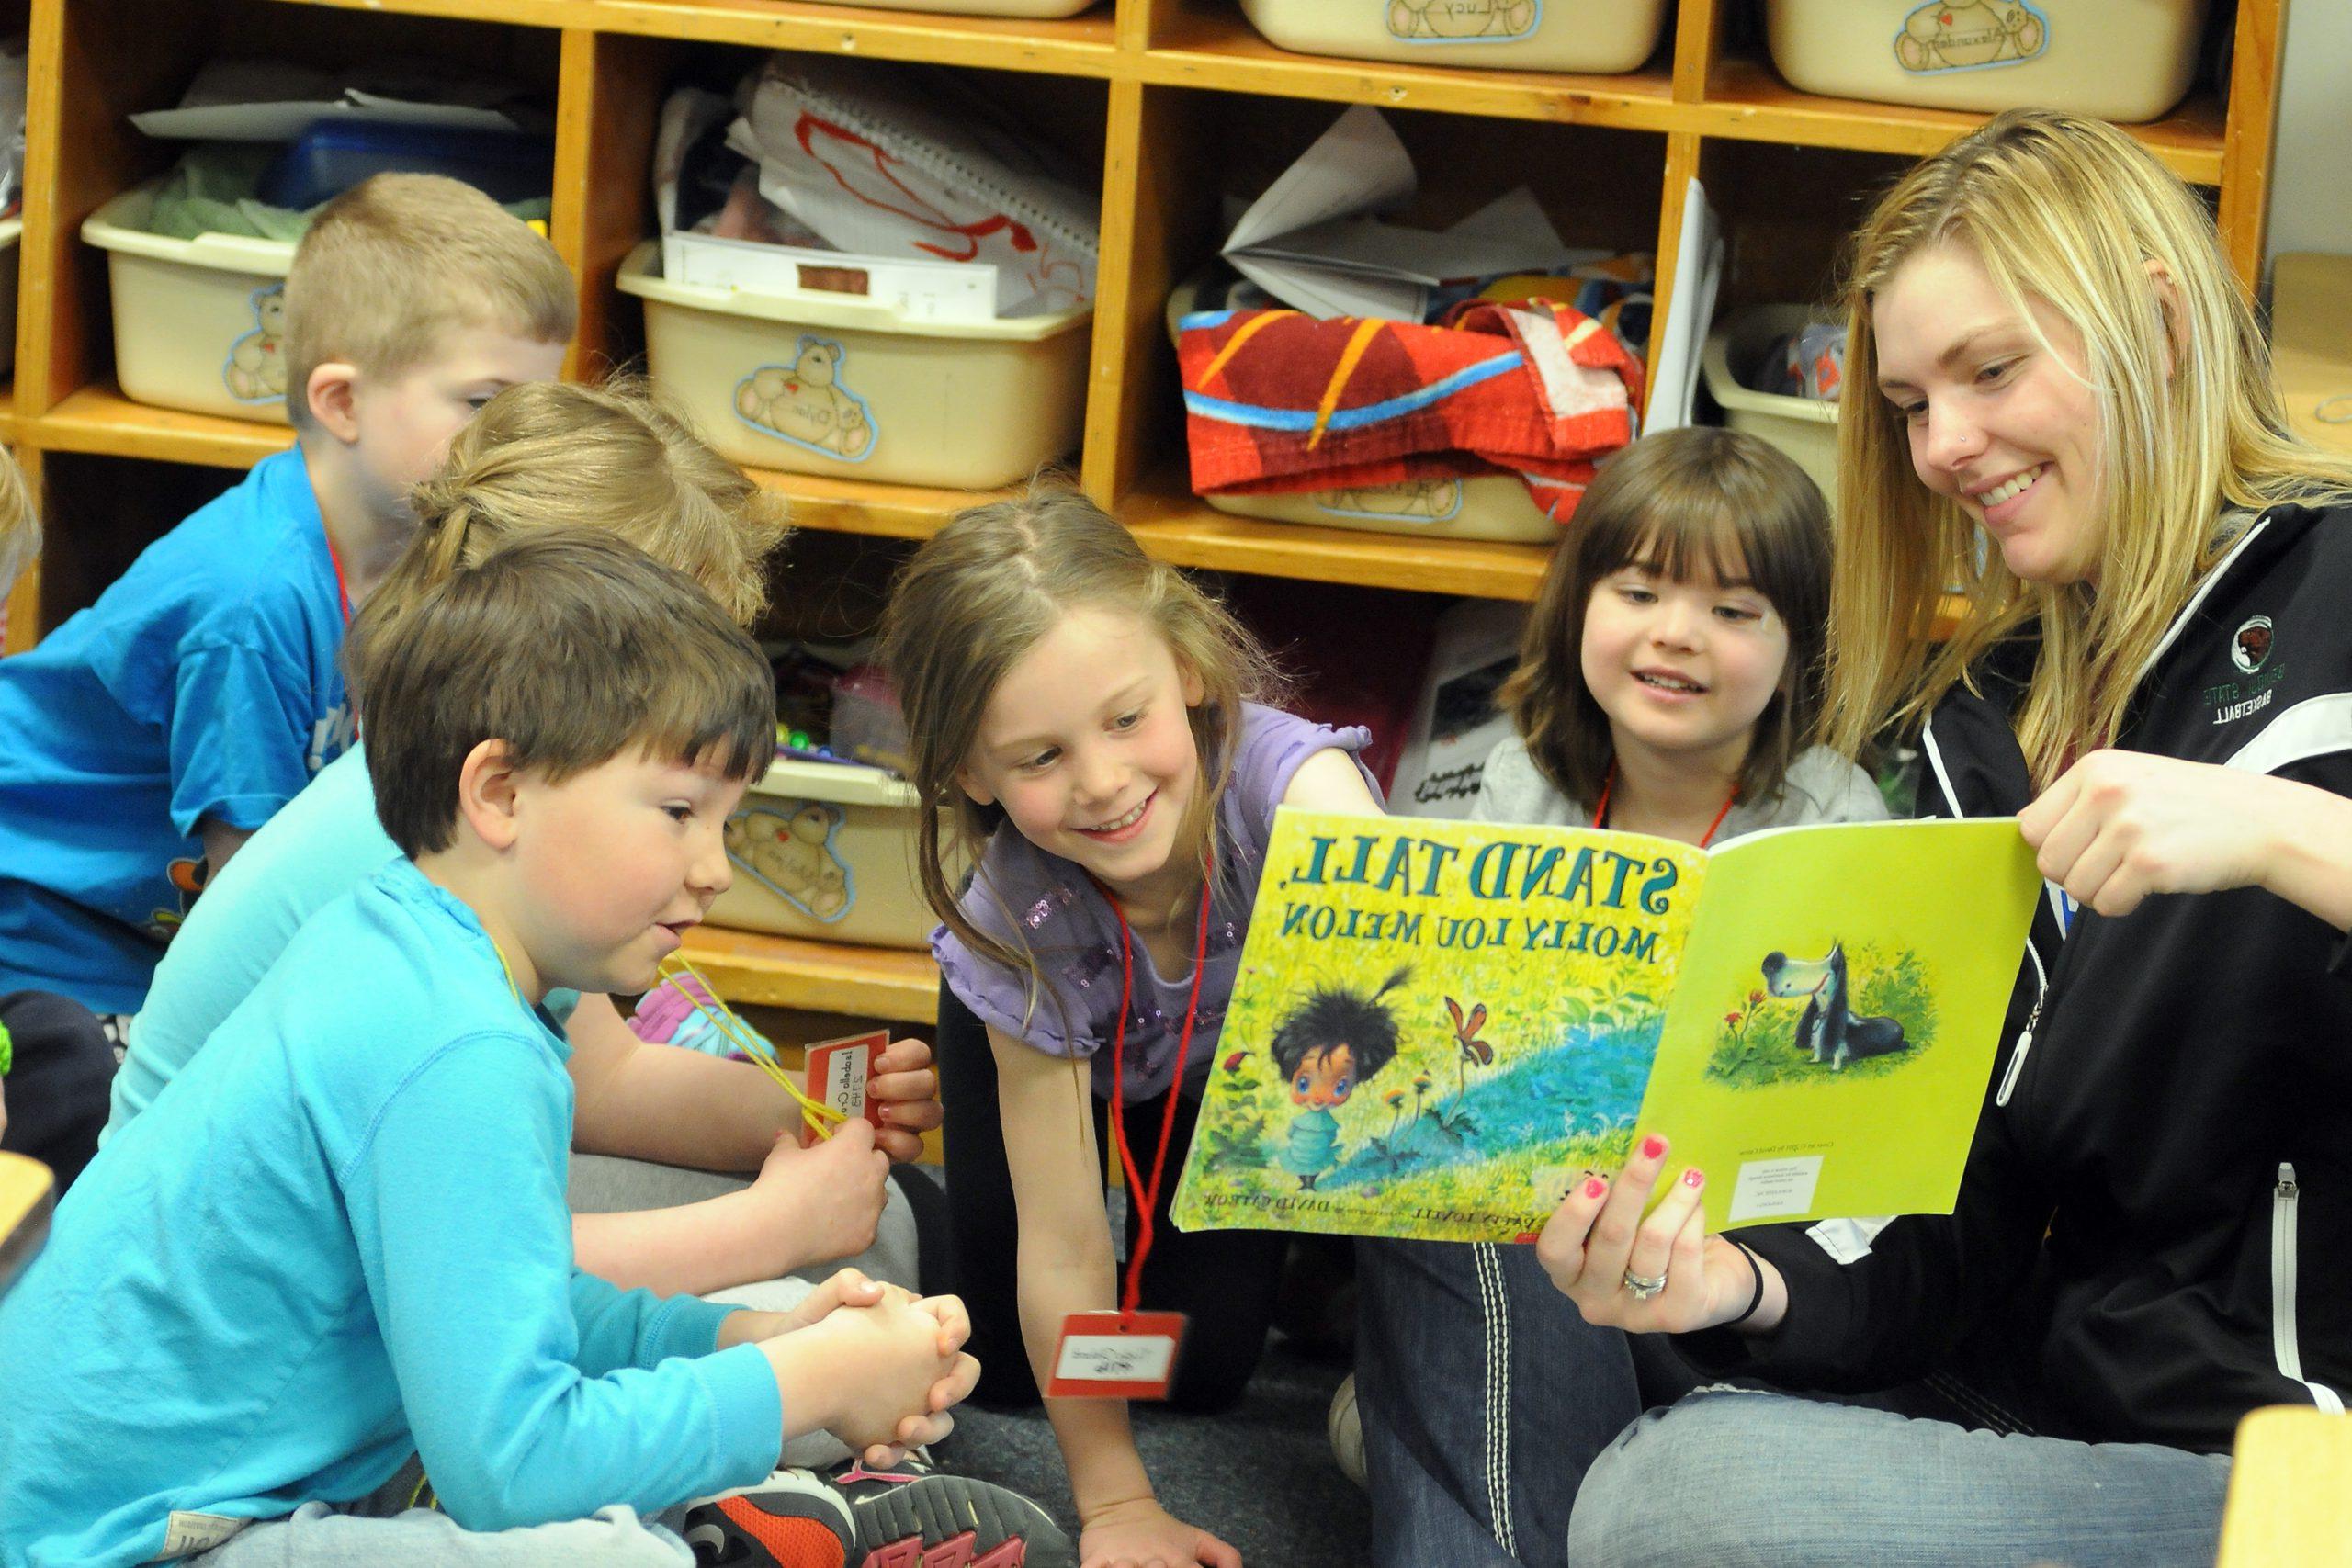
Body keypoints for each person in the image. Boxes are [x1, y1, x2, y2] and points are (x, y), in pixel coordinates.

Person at [1545, 108, 2352, 1568]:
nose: (1946, 448)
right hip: (2053, 1403)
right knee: (1584, 1303)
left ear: (2161, 327)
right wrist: (1739, 1284)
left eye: (1992, 373)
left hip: (2304, 1462)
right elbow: (1956, 1214)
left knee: (1671, 1499)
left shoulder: (2341, 582)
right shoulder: (1966, 726)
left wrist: (2287, 830)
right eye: (1913, 402)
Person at [0, 532, 995, 1567]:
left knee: (771, 1318)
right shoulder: (460, 1047)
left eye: (727, 826)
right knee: (614, 1560)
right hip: (121, 1541)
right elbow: (509, 1466)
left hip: (175, 1475)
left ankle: (733, 1497)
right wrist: (809, 1384)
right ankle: (709, 1533)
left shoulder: (400, 932)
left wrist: (740, 1347)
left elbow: (498, 1292)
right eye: (679, 814)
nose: (714, 872)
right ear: (502, 793)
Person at [105, 378, 942, 1308]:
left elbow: (605, 1081)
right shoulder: (405, 862)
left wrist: (812, 1110)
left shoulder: (490, 815)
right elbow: (453, 1275)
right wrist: (772, 1229)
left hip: (345, 1253)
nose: (710, 864)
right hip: (244, 1308)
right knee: (837, 1287)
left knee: (878, 1233)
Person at [1351, 427, 1883, 1568]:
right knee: (1427, 1176)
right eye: (1637, 589)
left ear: (1798, 651)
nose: (1675, 634)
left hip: (1727, 1268)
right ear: (1577, 608)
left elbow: (1846, 1135)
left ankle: (1455, 1431)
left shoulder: (1835, 821)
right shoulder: (1517, 784)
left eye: (1735, 611)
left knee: (1427, 1412)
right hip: (1550, 1237)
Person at [885, 485, 1385, 1568]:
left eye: (1126, 719)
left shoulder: (1302, 798)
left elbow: (1403, 1014)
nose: (1105, 783)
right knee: (1004, 1364)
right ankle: (898, 1206)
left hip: (1222, 1069)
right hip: (1046, 1032)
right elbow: (1064, 1243)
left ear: (1191, 670)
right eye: (1039, 757)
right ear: (973, 773)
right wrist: (1112, 1507)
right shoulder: (1009, 921)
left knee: (1193, 1372)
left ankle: (1304, 1277)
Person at [0, 173, 572, 1020]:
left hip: (134, 926)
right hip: (41, 930)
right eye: (484, 404)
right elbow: (247, 915)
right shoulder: (255, 602)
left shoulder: (428, 549)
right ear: (341, 402)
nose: (520, 441)